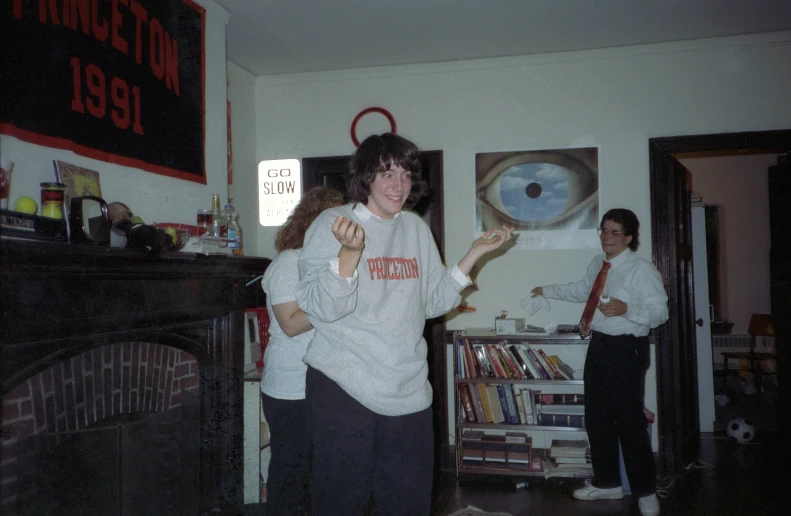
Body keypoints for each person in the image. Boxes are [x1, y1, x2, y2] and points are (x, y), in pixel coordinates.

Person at [295, 133, 513, 516]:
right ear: (365, 177)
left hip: (408, 388)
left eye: (406, 174)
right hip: (345, 384)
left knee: (408, 501)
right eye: (386, 174)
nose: (398, 185)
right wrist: (349, 255)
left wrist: (475, 253)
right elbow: (318, 309)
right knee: (341, 501)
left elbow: (434, 302)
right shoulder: (334, 223)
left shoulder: (413, 228)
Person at [531, 208, 668, 516]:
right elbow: (582, 290)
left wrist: (626, 308)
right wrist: (546, 290)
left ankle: (645, 491)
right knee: (597, 419)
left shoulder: (641, 270)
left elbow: (660, 313)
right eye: (604, 230)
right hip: (599, 346)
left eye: (615, 231)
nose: (607, 236)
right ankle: (607, 484)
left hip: (627, 350)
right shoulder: (598, 264)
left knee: (630, 423)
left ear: (629, 237)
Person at [260, 186, 345, 516]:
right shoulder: (288, 262)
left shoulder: (329, 266)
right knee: (290, 473)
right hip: (290, 387)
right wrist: (332, 304)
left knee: (317, 472)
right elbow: (291, 324)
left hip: (323, 382)